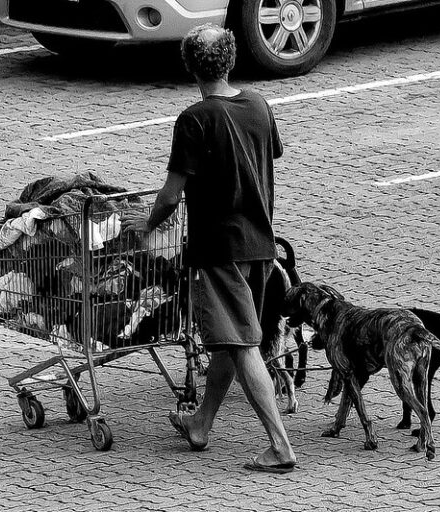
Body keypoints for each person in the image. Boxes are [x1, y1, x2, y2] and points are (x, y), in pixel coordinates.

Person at [123, 24, 297, 473]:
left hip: (220, 249)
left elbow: (170, 195)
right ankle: (200, 423)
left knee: (242, 344)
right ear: (231, 59)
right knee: (229, 341)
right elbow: (269, 154)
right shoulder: (258, 105)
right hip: (261, 244)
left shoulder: (194, 119)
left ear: (190, 67)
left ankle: (280, 446)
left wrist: (147, 224)